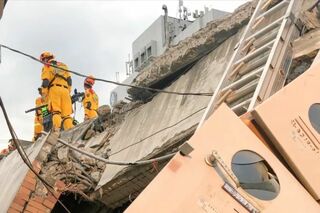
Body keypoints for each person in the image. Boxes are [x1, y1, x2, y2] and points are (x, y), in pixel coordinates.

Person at [40, 51, 74, 132]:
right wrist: (68, 91)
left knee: (56, 112)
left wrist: (44, 95)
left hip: (54, 90)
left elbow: (45, 83)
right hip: (65, 90)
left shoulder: (47, 66)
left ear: (45, 59)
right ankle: (71, 132)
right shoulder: (64, 65)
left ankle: (56, 132)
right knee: (66, 115)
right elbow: (69, 81)